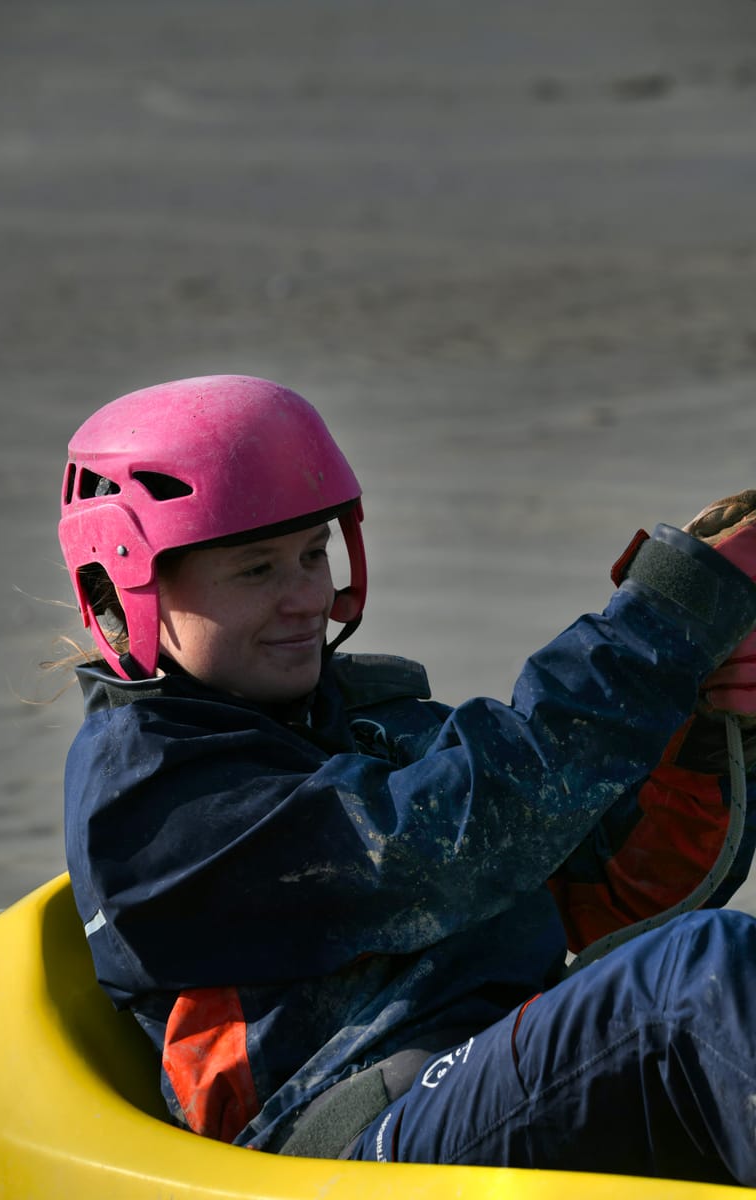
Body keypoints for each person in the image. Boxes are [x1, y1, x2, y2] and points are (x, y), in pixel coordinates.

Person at [59, 374, 756, 1185]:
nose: (305, 599)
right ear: (126, 583)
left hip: (487, 1084)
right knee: (694, 976)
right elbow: (453, 838)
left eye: (313, 555)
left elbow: (604, 894)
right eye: (256, 571)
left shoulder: (368, 720)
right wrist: (662, 626)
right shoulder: (151, 803)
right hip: (346, 1145)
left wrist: (705, 731)